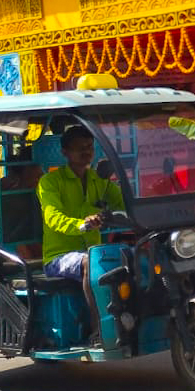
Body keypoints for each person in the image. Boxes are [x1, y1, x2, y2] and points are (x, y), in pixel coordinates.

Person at [37, 124, 124, 345]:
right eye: (79, 148)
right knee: (89, 262)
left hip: (95, 252)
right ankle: (99, 329)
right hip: (58, 257)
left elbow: (123, 203)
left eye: (89, 147)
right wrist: (83, 224)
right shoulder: (50, 182)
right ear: (65, 152)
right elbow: (53, 217)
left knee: (131, 255)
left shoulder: (99, 181)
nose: (86, 152)